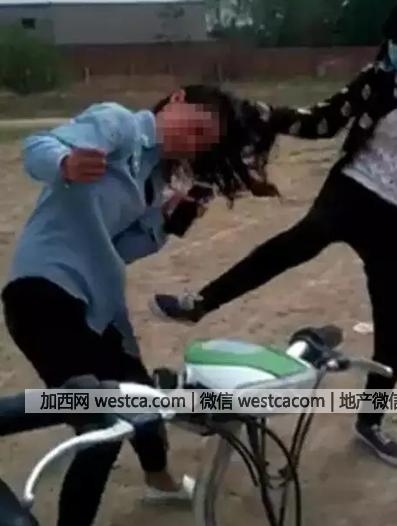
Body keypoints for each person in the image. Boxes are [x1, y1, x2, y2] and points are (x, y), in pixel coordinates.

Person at [150, 0, 397, 468]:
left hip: (395, 217)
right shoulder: (378, 80)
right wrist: (265, 113)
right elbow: (323, 121)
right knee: (294, 245)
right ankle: (198, 303)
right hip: (352, 190)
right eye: (393, 41)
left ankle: (370, 423)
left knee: (395, 329)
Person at [1, 84, 278, 526]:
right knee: (102, 425)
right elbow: (38, 147)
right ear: (177, 99)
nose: (192, 142)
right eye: (197, 128)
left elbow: (123, 248)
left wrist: (167, 223)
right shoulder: (119, 125)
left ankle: (159, 481)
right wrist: (64, 163)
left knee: (142, 396)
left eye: (203, 143)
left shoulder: (155, 182)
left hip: (98, 306)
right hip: (44, 292)